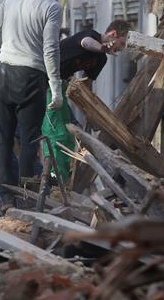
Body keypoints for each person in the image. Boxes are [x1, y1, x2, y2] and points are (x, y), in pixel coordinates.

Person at [0, 0, 72, 208]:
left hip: (3, 73)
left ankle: (6, 196)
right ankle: (26, 197)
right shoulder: (51, 7)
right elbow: (50, 49)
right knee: (29, 140)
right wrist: (56, 89)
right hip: (30, 77)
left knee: (3, 138)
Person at [42, 20, 131, 182]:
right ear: (113, 34)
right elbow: (86, 43)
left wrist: (90, 110)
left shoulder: (101, 60)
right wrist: (102, 47)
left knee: (70, 132)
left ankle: (62, 177)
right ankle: (53, 177)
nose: (121, 48)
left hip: (60, 87)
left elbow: (87, 84)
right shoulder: (90, 35)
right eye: (122, 43)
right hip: (46, 82)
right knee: (56, 132)